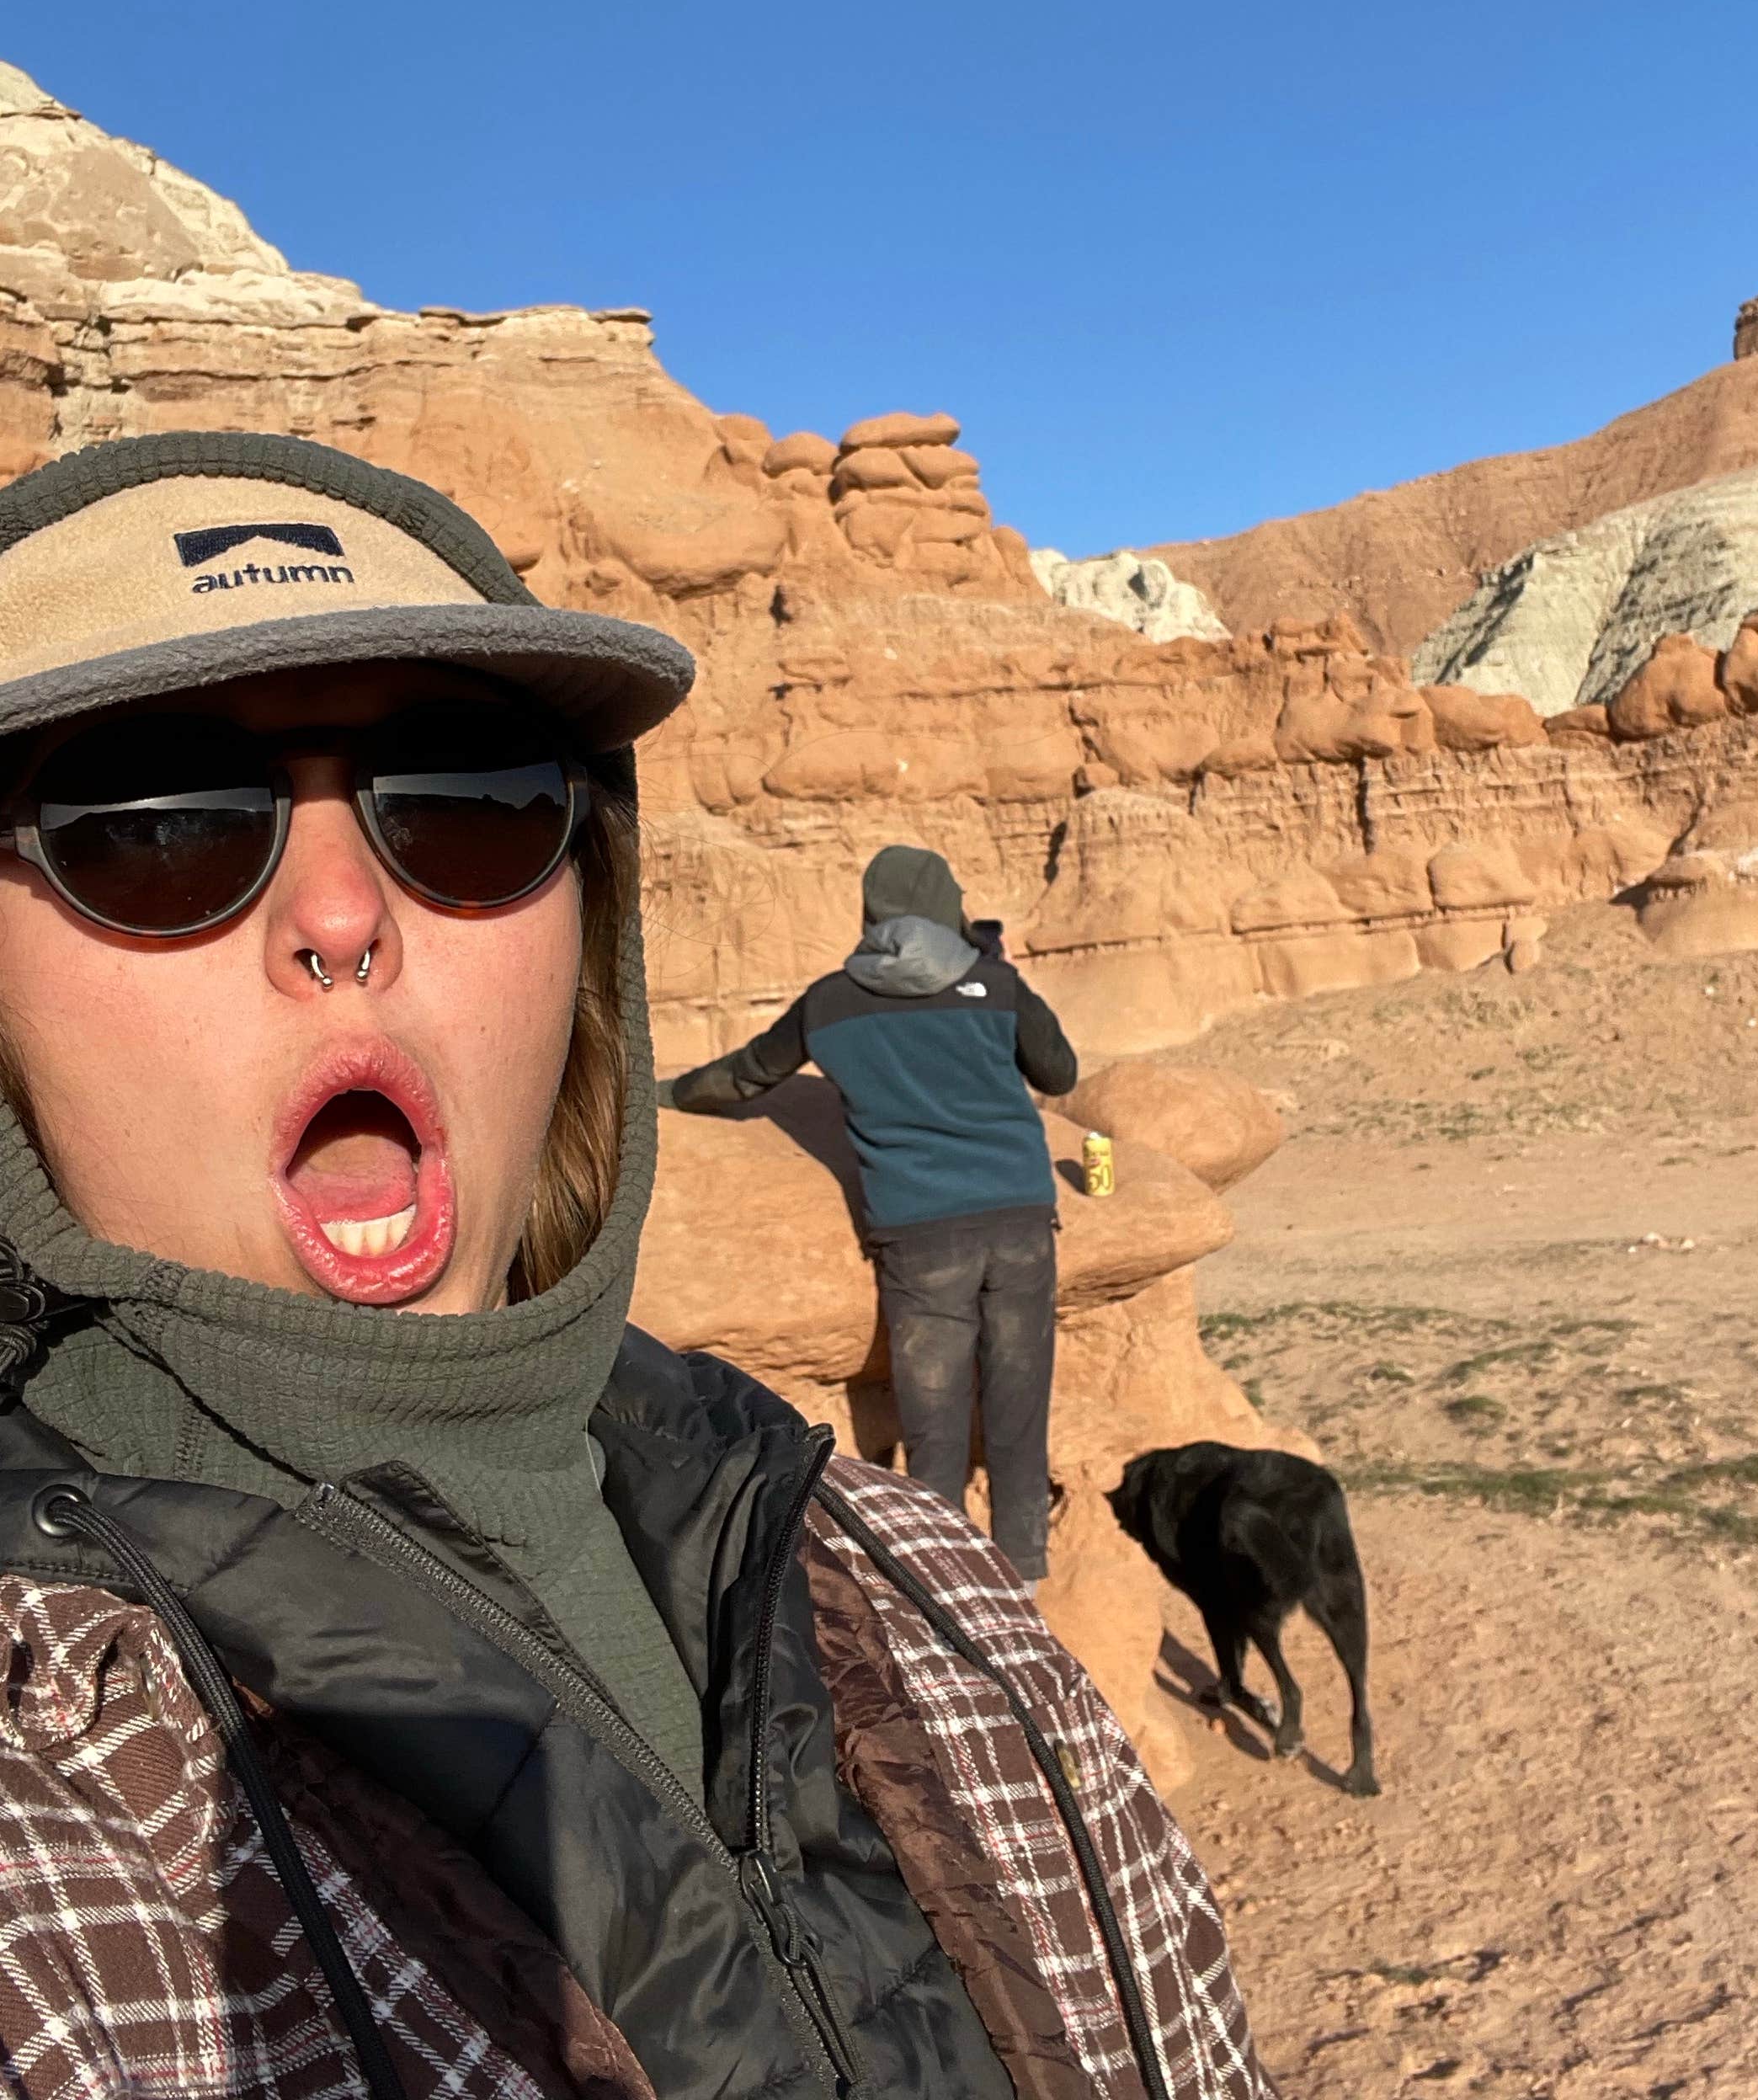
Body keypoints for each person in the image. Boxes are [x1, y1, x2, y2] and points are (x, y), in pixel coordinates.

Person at [0, 430, 1271, 2100]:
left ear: (590, 923)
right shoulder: (61, 1777)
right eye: (149, 824)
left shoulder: (892, 1580)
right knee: (1000, 1439)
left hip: (923, 1241)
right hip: (1018, 1226)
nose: (339, 908)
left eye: (465, 802)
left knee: (949, 1425)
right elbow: (1049, 1059)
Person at [665, 845, 1076, 1584]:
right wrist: (995, 976)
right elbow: (1061, 1072)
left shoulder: (831, 1002)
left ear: (871, 915)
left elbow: (741, 1077)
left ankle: (941, 1585)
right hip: (1018, 1220)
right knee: (1018, 1399)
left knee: (933, 1420)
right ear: (949, 907)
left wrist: (664, 1095)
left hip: (919, 1238)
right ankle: (1024, 1574)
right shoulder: (995, 982)